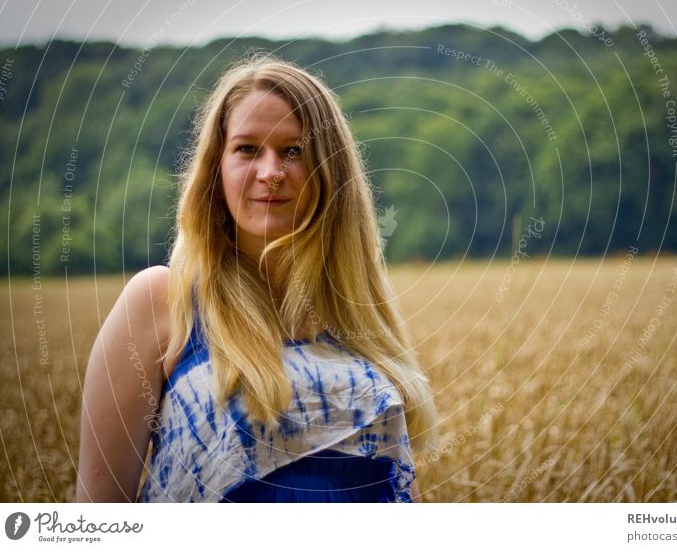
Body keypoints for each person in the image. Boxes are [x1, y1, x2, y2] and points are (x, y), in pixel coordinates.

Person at [75, 53, 438, 503]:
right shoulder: (160, 302)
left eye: (294, 151)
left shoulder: (355, 314)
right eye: (247, 149)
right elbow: (97, 513)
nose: (271, 173)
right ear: (216, 168)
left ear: (330, 171)